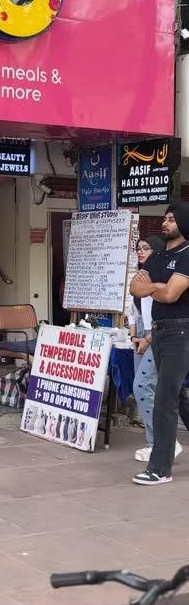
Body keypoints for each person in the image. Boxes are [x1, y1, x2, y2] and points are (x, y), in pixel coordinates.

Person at [130, 203, 189, 485]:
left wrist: (152, 287)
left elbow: (172, 294)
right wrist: (157, 287)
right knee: (178, 395)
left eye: (171, 219)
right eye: (164, 218)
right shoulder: (159, 257)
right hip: (160, 331)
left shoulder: (187, 255)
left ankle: (160, 468)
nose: (165, 223)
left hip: (181, 332)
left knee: (165, 399)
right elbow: (135, 287)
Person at [128, 236, 179, 464]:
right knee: (148, 389)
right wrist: (133, 336)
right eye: (138, 248)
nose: (141, 252)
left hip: (156, 335)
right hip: (140, 334)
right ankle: (156, 442)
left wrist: (147, 339)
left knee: (142, 386)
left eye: (146, 248)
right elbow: (133, 309)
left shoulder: (161, 274)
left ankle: (163, 443)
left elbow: (161, 310)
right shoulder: (140, 274)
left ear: (156, 250)